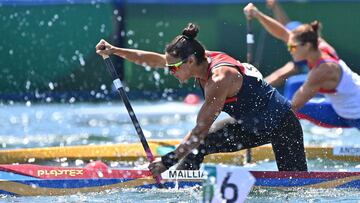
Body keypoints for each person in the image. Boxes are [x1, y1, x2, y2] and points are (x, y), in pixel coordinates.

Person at [96, 23, 308, 176]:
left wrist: (167, 160)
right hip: (250, 125)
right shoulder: (198, 58)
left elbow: (200, 129)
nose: (170, 71)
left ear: (190, 61)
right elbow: (153, 60)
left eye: (174, 68)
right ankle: (181, 191)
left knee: (295, 187)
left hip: (282, 125)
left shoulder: (219, 77)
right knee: (197, 146)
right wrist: (115, 51)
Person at [244, 3, 360, 129]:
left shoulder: (323, 70)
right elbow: (282, 33)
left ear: (307, 46)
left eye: (292, 47)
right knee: (292, 88)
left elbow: (293, 106)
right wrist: (258, 14)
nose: (289, 49)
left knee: (288, 110)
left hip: (356, 116)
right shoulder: (318, 45)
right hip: (339, 111)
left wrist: (253, 120)